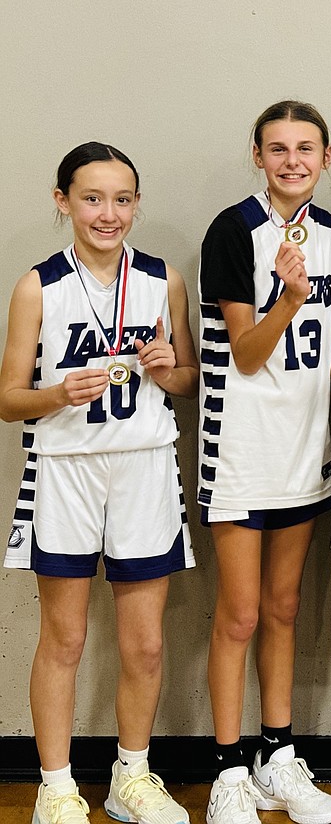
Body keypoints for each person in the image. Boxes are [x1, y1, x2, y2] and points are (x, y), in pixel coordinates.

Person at [1, 142, 197, 824]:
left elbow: (183, 381)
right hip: (65, 471)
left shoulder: (163, 280)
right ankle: (54, 787)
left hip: (144, 466)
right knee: (65, 638)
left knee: (143, 642)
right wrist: (54, 394)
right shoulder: (39, 286)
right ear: (63, 201)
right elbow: (7, 398)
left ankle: (132, 777)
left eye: (121, 199)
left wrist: (171, 364)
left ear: (136, 205)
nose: (107, 213)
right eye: (91, 198)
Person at [198, 101, 331, 824]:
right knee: (240, 615)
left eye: (306, 148)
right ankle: (227, 770)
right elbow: (246, 354)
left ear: (326, 157)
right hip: (242, 448)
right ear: (256, 155)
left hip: (303, 447)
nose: (293, 160)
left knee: (286, 610)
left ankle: (276, 758)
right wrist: (289, 299)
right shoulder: (232, 230)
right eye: (278, 148)